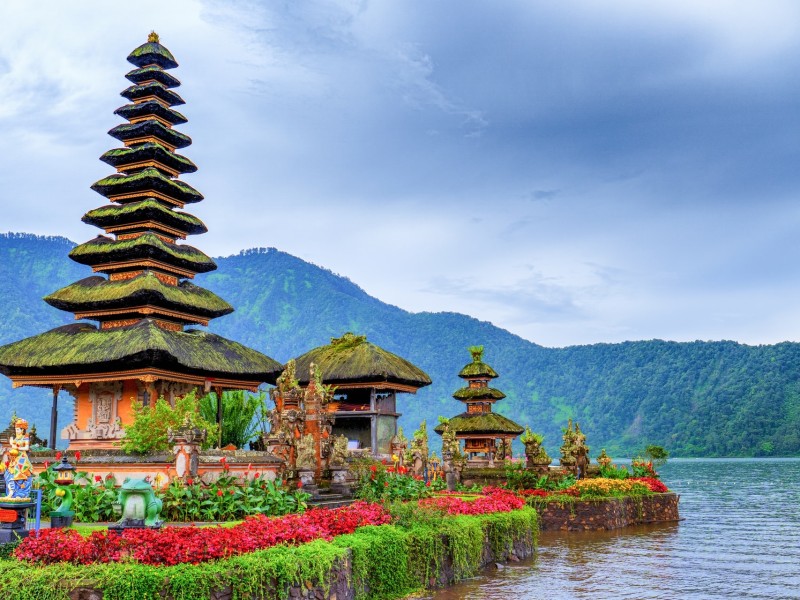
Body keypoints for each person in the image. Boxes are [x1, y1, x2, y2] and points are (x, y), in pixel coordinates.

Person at [3, 418, 33, 498]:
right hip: (14, 458)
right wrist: (11, 443)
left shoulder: (25, 437)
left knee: (21, 474)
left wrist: (17, 447)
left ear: (22, 430)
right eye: (16, 429)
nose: (17, 431)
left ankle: (21, 493)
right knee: (9, 473)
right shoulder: (15, 438)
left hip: (22, 458)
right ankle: (11, 492)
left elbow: (26, 448)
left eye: (18, 429)